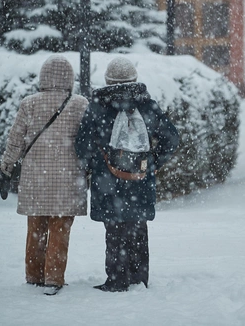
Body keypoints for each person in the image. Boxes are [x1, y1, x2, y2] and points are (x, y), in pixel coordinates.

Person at [75, 56, 179, 292]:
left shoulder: (98, 107)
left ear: (107, 79)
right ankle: (139, 278)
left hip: (108, 180)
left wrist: (96, 164)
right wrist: (152, 162)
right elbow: (171, 139)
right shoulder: (147, 105)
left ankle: (117, 279)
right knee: (138, 227)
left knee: (114, 230)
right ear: (134, 78)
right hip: (139, 180)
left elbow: (82, 145)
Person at [0, 55, 89, 296]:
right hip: (68, 178)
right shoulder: (79, 104)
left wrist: (6, 165)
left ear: (43, 77)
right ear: (69, 78)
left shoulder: (29, 103)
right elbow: (87, 141)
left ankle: (33, 274)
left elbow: (16, 139)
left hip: (35, 178)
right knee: (60, 229)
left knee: (36, 227)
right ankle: (53, 278)